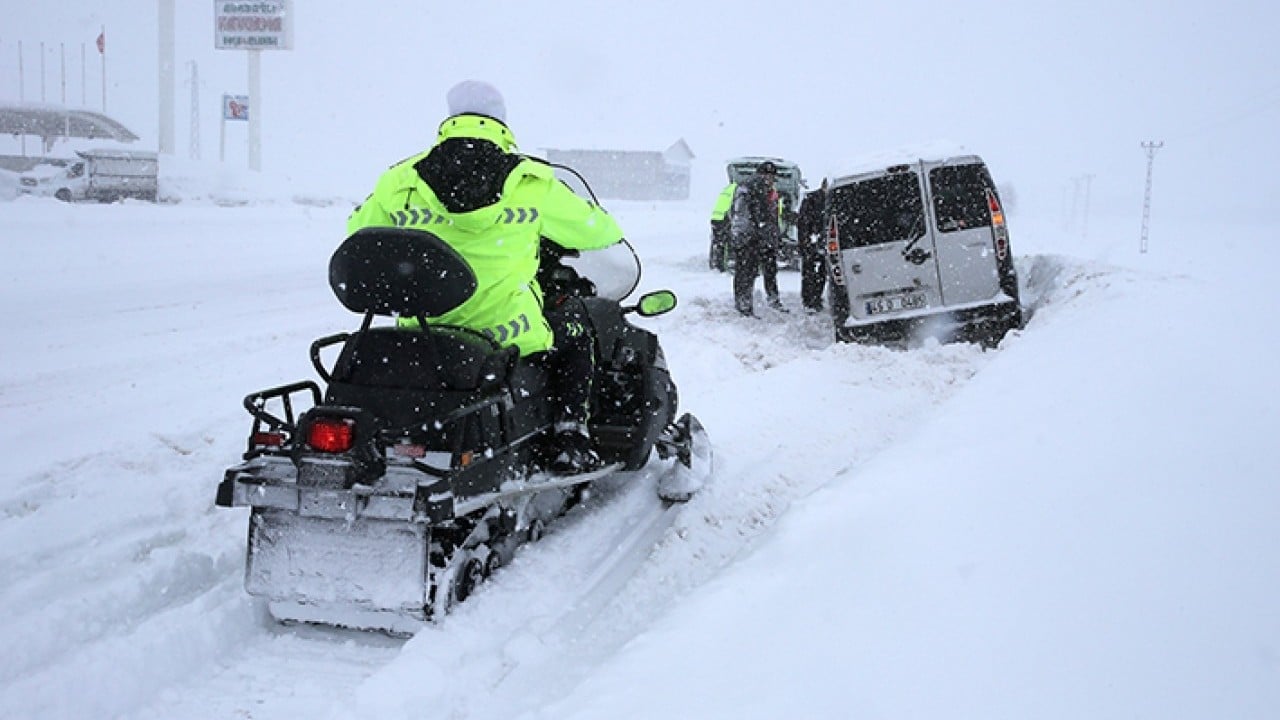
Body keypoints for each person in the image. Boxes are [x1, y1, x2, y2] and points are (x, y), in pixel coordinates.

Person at [346, 80, 623, 474]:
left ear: (451, 116)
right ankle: (569, 433)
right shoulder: (532, 182)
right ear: (502, 121)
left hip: (423, 329)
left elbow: (358, 231)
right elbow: (601, 233)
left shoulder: (401, 180)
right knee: (576, 329)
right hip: (506, 331)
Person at [729, 161, 787, 316]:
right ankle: (744, 305)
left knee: (764, 270)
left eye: (772, 176)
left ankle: (767, 300)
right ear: (761, 174)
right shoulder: (752, 187)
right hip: (750, 238)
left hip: (761, 237)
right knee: (747, 271)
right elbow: (747, 214)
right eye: (767, 175)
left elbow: (772, 216)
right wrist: (754, 233)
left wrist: (774, 236)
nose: (769, 179)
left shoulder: (766, 190)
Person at [796, 178, 829, 313]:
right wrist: (805, 242)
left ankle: (816, 298)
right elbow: (803, 223)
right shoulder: (811, 200)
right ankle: (808, 300)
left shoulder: (833, 200)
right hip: (811, 240)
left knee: (822, 272)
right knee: (809, 271)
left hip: (823, 241)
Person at [708, 181, 737, 271]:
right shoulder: (739, 189)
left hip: (718, 217)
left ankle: (718, 264)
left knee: (720, 242)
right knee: (723, 241)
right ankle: (720, 265)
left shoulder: (731, 188)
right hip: (723, 218)